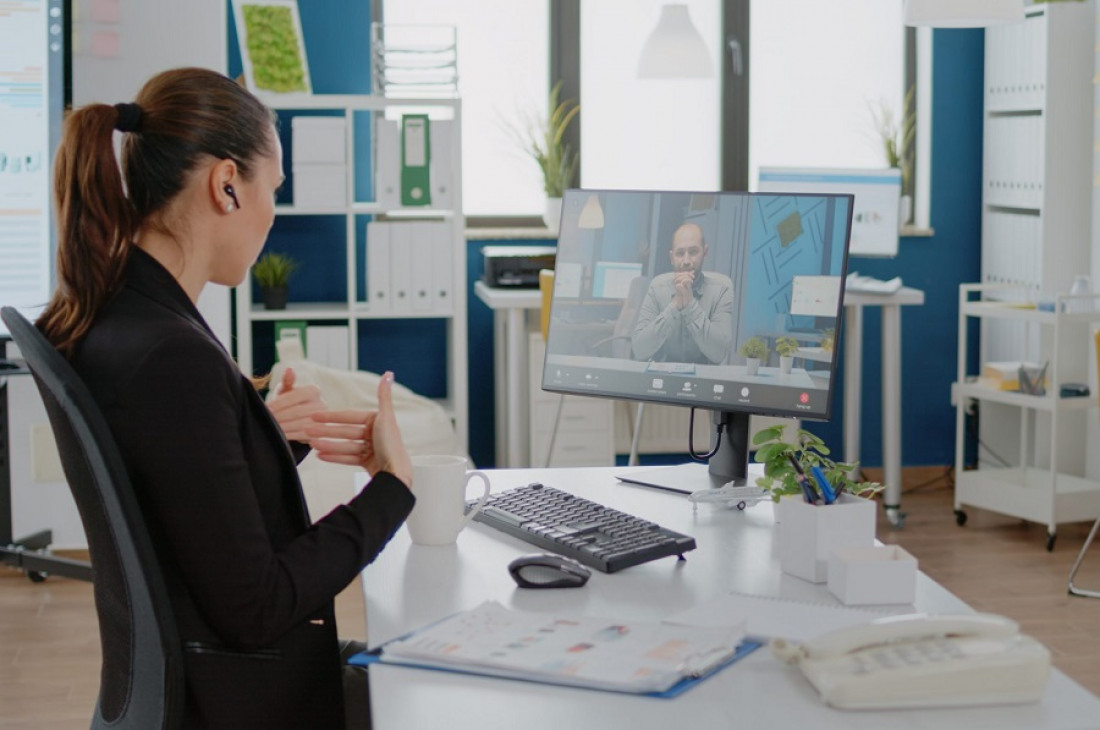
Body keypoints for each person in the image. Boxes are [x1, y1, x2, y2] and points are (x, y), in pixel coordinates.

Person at [37, 68, 414, 729]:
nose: (273, 211)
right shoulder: (169, 355)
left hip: (197, 685)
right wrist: (391, 489)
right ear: (227, 184)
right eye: (273, 189)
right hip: (240, 697)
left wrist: (258, 438)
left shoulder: (123, 312)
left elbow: (170, 494)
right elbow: (258, 607)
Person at [630, 222, 734, 364]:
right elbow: (640, 350)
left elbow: (719, 353)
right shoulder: (657, 287)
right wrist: (674, 306)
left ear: (705, 251)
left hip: (705, 380)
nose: (686, 261)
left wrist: (690, 305)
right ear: (672, 257)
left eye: (693, 252)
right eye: (680, 253)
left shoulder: (722, 288)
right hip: (662, 378)